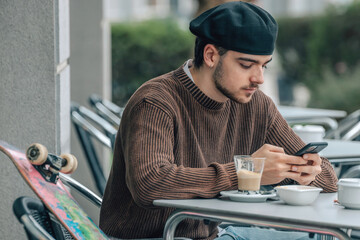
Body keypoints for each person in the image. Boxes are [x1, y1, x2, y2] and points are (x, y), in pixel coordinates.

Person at [100, 2, 338, 239]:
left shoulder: (256, 105)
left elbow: (327, 178)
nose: (259, 78)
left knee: (322, 236)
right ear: (211, 55)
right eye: (247, 65)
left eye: (264, 66)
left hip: (213, 235)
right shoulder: (155, 101)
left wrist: (302, 170)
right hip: (153, 237)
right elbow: (150, 184)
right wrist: (246, 173)